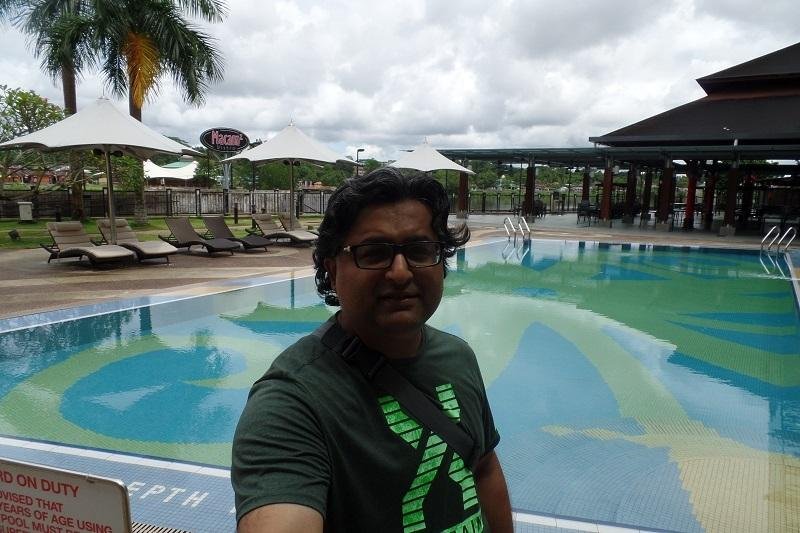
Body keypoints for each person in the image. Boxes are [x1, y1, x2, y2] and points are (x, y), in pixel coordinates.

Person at [232, 167, 512, 532]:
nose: (400, 273)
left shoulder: (457, 357)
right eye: (375, 252)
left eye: (419, 250)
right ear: (333, 270)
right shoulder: (293, 403)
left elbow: (484, 467)